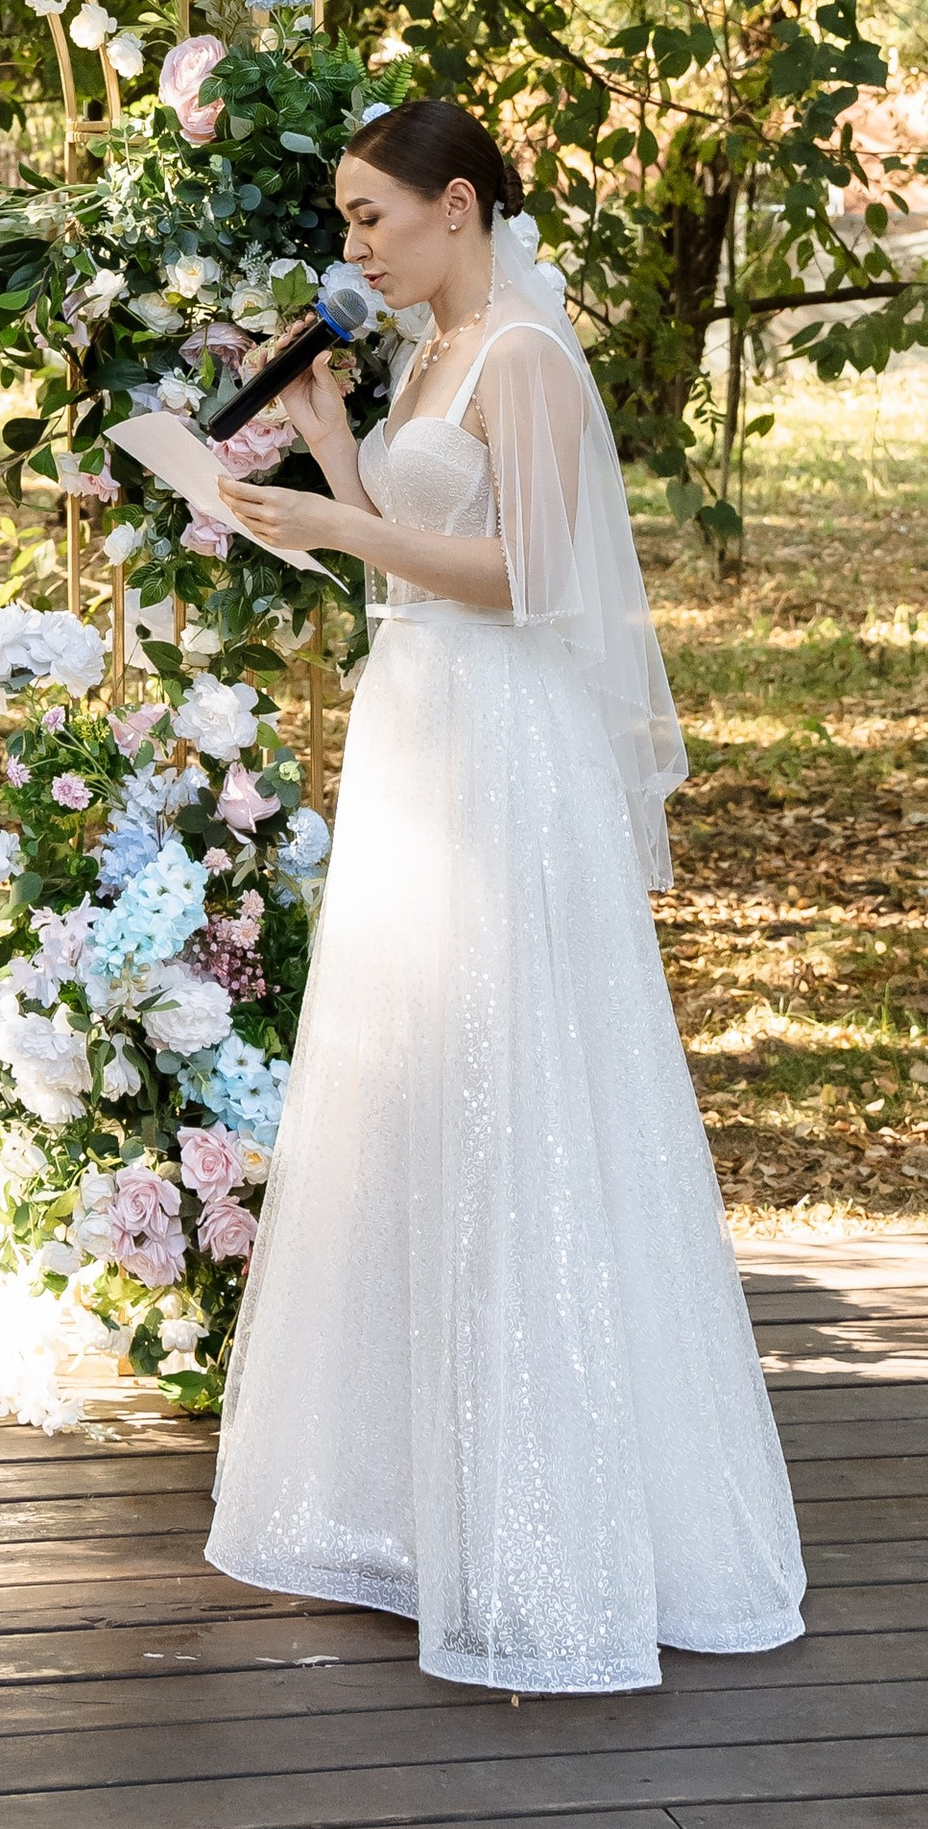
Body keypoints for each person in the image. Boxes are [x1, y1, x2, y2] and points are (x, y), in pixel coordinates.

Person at [209, 98, 804, 1693]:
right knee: (420, 1082)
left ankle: (561, 1524)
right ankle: (419, 1502)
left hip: (505, 749)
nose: (353, 247)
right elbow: (415, 552)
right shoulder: (426, 360)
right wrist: (327, 452)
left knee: (525, 1087)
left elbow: (544, 572)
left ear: (456, 206)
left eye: (368, 218)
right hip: (421, 729)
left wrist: (344, 514)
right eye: (346, 223)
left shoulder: (529, 358)